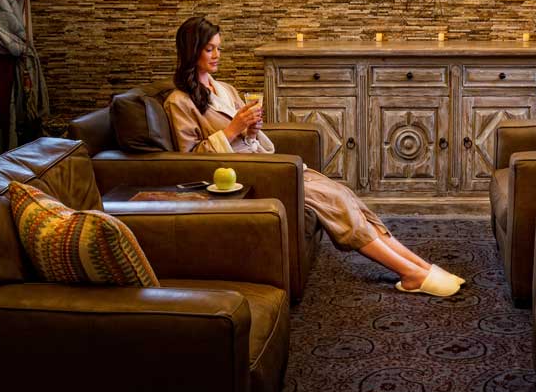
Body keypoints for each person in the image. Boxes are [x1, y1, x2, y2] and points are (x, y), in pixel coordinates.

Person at [163, 16, 466, 296]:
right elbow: (189, 159)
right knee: (335, 203)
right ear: (191, 51)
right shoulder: (179, 101)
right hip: (242, 178)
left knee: (345, 196)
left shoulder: (224, 89)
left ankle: (419, 266)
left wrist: (252, 130)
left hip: (264, 162)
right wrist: (233, 129)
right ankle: (409, 273)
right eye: (209, 49)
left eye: (218, 48)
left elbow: (248, 140)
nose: (216, 55)